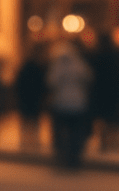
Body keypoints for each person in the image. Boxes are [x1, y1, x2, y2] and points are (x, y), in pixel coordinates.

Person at [46, 40, 94, 168]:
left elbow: (51, 82)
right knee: (76, 134)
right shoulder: (79, 64)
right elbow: (88, 78)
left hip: (61, 103)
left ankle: (62, 157)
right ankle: (74, 158)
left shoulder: (58, 65)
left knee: (60, 133)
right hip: (78, 104)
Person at [14, 43, 48, 150]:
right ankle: (35, 140)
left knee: (26, 120)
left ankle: (25, 140)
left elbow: (18, 84)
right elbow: (42, 84)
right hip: (35, 98)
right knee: (34, 120)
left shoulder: (23, 68)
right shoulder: (39, 68)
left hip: (25, 97)